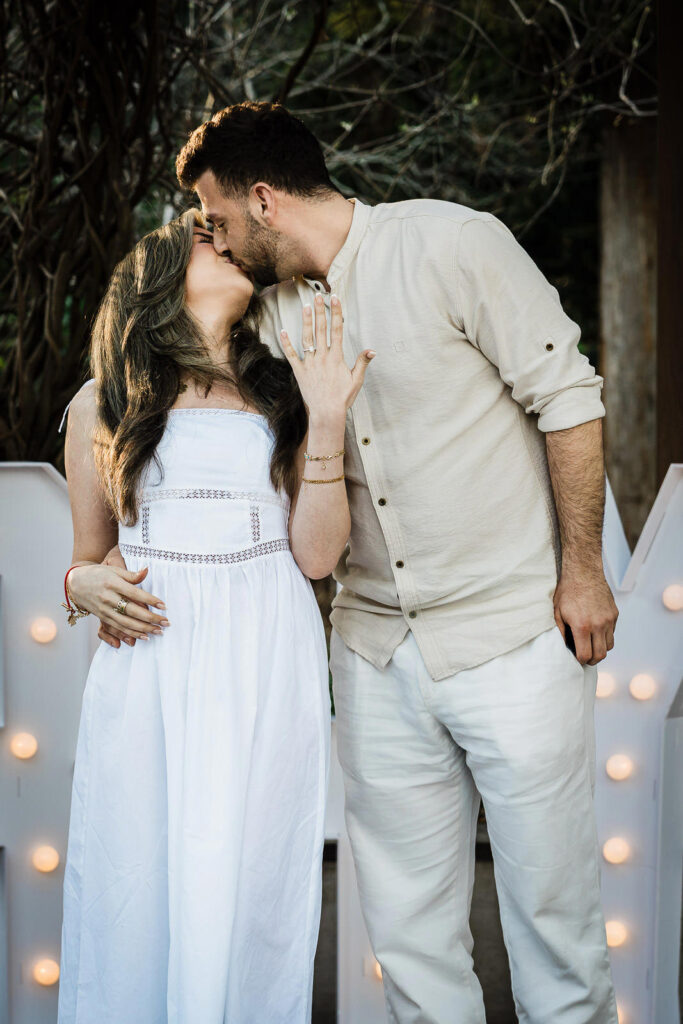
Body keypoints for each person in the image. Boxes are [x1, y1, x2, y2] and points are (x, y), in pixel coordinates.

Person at [102, 102, 620, 1023]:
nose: (209, 237)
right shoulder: (260, 313)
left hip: (511, 635)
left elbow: (568, 398)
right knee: (413, 947)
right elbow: (141, 371)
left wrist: (581, 571)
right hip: (373, 655)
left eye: (216, 218)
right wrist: (82, 565)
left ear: (263, 200)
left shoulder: (453, 245)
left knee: (555, 930)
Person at [56, 207, 373, 1023]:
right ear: (157, 274)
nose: (226, 241)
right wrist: (79, 585)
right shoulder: (106, 401)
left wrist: (328, 418)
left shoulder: (284, 391)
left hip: (268, 652)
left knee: (255, 879)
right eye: (204, 235)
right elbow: (89, 556)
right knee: (139, 871)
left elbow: (316, 556)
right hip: (152, 661)